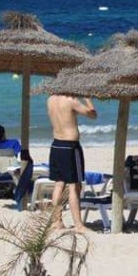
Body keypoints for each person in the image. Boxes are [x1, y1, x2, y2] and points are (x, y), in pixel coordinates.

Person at [46, 94, 97, 230]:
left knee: (59, 184)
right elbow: (92, 114)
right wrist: (88, 99)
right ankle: (78, 224)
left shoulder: (50, 99)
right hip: (70, 146)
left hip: (56, 144)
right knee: (75, 186)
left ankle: (57, 222)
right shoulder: (71, 101)